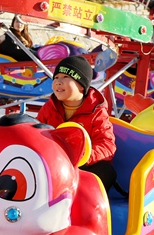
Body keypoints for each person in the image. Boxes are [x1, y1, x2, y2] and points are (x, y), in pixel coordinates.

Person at [36, 55, 117, 190]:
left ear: (81, 86)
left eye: (65, 77)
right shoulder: (49, 108)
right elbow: (36, 133)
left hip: (84, 166)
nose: (58, 82)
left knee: (106, 172)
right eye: (56, 77)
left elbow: (107, 145)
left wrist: (83, 156)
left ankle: (85, 203)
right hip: (55, 163)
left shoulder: (96, 111)